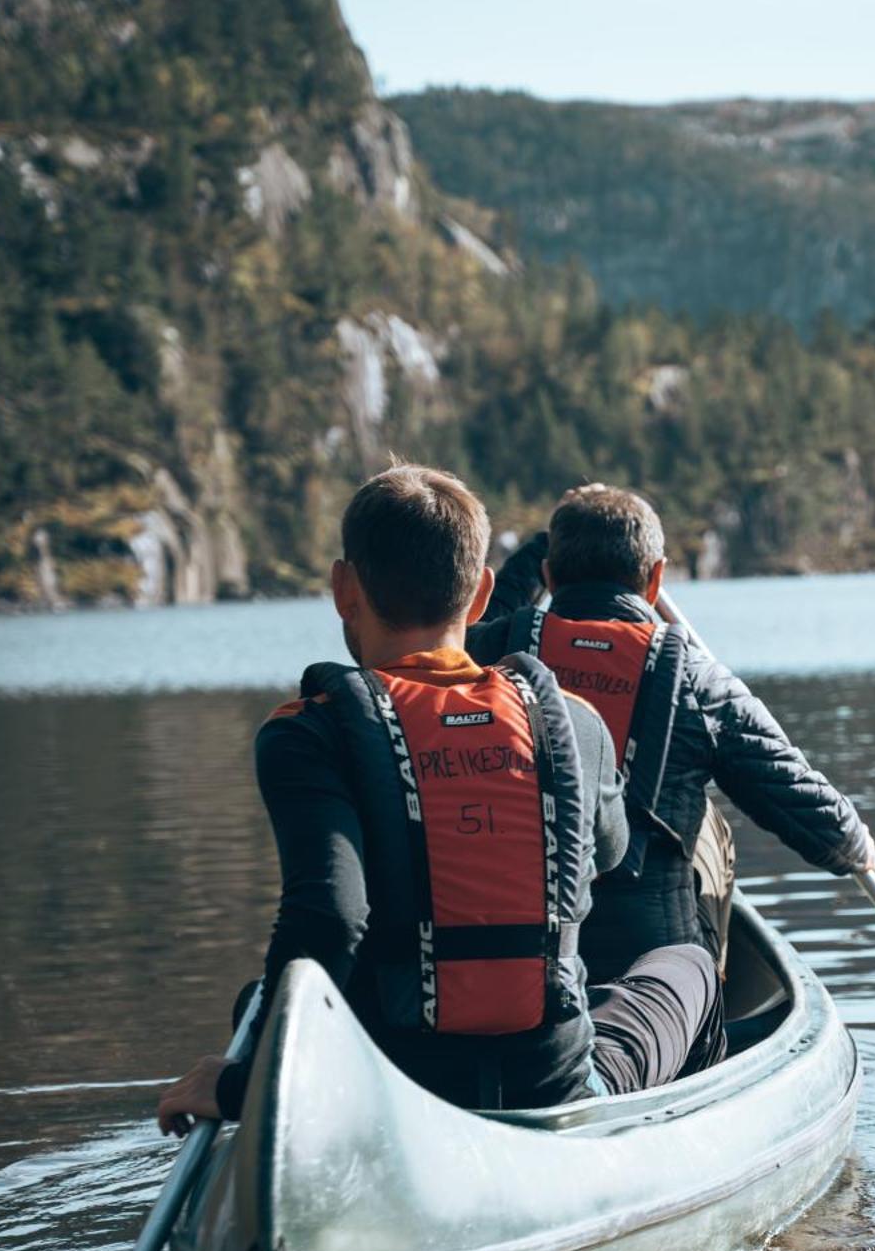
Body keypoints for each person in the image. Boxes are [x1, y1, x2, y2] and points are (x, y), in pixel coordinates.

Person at [157, 466, 723, 1134]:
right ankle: (672, 1145)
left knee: (260, 1002)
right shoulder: (572, 721)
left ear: (344, 589)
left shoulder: (307, 732)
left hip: (389, 1084)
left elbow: (330, 920)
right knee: (690, 965)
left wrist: (249, 1083)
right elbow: (606, 856)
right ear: (482, 594)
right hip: (553, 1084)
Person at [468, 484, 875, 984]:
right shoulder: (695, 678)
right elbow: (813, 818)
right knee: (710, 824)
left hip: (522, 956)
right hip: (648, 969)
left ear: (549, 577)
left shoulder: (491, 651)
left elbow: (482, 614)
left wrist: (542, 543)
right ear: (657, 579)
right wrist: (855, 841)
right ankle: (709, 1003)